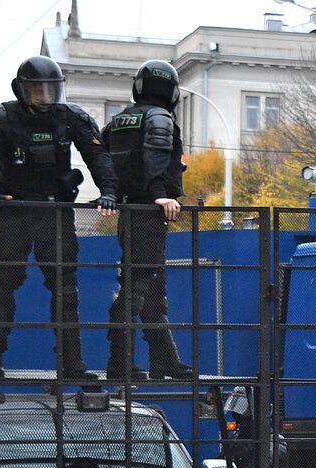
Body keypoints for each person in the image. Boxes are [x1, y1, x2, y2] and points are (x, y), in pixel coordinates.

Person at [0, 56, 117, 380]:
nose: (44, 95)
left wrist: (109, 191)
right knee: (3, 286)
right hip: (14, 212)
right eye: (37, 89)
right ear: (23, 89)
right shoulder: (1, 118)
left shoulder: (71, 117)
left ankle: (72, 364)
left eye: (50, 89)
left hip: (55, 213)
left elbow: (98, 157)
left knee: (65, 288)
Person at [101, 59, 193, 381]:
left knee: (153, 288)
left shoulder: (119, 120)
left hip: (128, 210)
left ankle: (164, 361)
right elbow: (155, 154)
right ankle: (119, 363)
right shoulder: (160, 117)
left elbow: (103, 155)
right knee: (137, 287)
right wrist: (159, 194)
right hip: (148, 212)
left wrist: (110, 192)